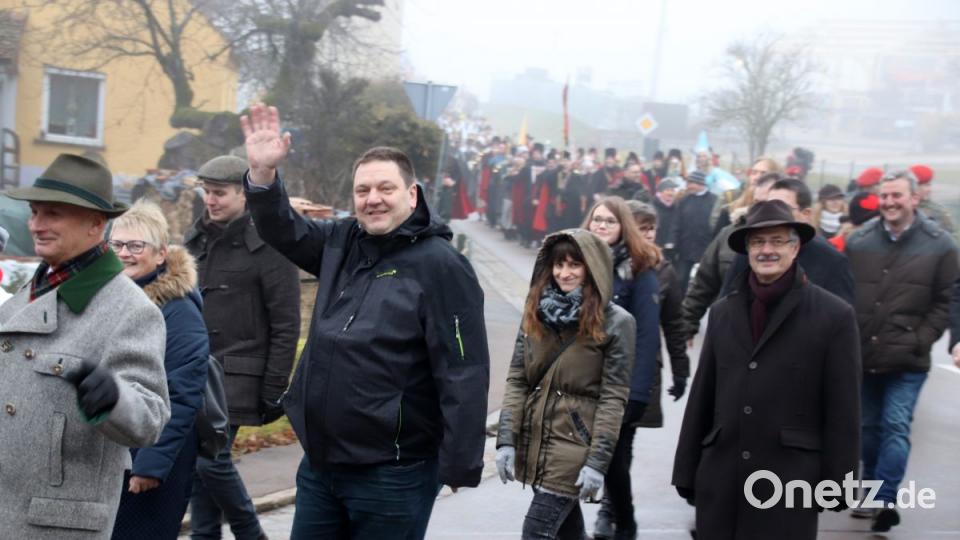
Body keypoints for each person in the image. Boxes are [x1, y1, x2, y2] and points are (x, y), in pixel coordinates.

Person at [240, 104, 490, 539]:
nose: (372, 198)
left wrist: (460, 462)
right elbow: (283, 229)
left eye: (385, 188)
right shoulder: (342, 241)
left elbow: (463, 369)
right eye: (362, 190)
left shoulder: (442, 267)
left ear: (412, 195)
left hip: (393, 474)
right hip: (321, 466)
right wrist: (262, 175)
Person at [0, 153, 170, 539]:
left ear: (96, 223)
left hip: (56, 525)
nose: (36, 225)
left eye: (53, 214)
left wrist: (115, 398)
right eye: (35, 212)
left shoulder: (130, 309)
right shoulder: (25, 295)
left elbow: (149, 419)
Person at [672, 200, 861, 540]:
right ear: (747, 250)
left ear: (795, 248)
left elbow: (843, 407)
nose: (766, 250)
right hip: (722, 477)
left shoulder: (834, 315)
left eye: (777, 241)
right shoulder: (723, 312)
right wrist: (686, 470)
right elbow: (703, 394)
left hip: (788, 482)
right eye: (758, 242)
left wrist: (839, 483)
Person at [184, 154, 302, 540]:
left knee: (210, 462)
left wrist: (274, 387)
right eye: (206, 192)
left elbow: (286, 325)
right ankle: (204, 536)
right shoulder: (196, 239)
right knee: (198, 467)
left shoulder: (269, 246)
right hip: (194, 372)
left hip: (238, 376)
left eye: (219, 192)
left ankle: (251, 533)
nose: (210, 200)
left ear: (243, 195)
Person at [496, 229, 636, 540]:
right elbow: (518, 378)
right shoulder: (536, 310)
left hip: (575, 446)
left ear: (592, 268)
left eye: (574, 264)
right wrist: (506, 439)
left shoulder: (617, 322)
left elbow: (613, 398)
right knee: (569, 533)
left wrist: (597, 462)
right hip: (536, 438)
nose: (564, 273)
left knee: (536, 533)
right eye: (559, 265)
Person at [845, 170, 959, 532]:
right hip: (864, 353)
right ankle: (869, 490)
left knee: (895, 425)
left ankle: (884, 500)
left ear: (914, 198)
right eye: (885, 196)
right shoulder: (859, 241)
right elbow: (844, 293)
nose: (889, 202)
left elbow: (947, 299)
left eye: (897, 195)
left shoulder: (941, 245)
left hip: (908, 357)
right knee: (867, 428)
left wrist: (922, 338)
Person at [110, 201, 209, 540]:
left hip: (152, 458)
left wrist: (150, 465)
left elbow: (182, 391)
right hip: (116, 449)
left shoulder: (178, 311)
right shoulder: (114, 297)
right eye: (117, 244)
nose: (124, 253)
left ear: (161, 254)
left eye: (136, 246)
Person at [583, 198, 661, 540]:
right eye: (597, 219)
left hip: (617, 383)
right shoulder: (574, 260)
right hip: (579, 379)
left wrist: (637, 392)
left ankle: (623, 520)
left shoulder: (639, 271)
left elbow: (646, 335)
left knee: (613, 459)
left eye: (610, 221)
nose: (601, 225)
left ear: (623, 227)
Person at [718, 178, 857, 303]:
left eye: (784, 208)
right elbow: (727, 303)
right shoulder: (750, 251)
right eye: (770, 206)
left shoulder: (832, 261)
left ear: (806, 214)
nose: (774, 213)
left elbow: (839, 317)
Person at [680, 173, 779, 341]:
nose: (761, 210)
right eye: (757, 203)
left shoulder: (796, 243)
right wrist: (686, 326)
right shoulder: (729, 234)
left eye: (769, 204)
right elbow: (703, 283)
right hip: (728, 332)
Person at [672, 171, 717, 293]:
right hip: (685, 249)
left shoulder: (714, 201)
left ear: (699, 183)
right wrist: (674, 243)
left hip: (705, 249)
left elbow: (717, 226)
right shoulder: (684, 201)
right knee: (681, 280)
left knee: (702, 281)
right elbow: (677, 223)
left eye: (690, 183)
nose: (688, 186)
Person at [911, 164, 956, 235]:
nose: (929, 189)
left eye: (929, 185)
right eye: (925, 185)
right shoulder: (903, 208)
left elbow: (951, 237)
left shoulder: (937, 211)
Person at [651, 178, 680, 265]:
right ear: (660, 192)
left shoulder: (677, 207)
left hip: (673, 250)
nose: (671, 193)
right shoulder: (652, 207)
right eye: (668, 190)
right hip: (656, 248)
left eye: (673, 190)